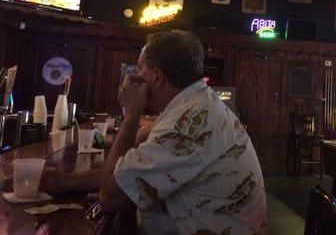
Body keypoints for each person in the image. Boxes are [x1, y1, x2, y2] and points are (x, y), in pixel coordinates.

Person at [44, 30, 267, 234]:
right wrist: (69, 182)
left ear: (157, 77)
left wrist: (132, 114)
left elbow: (109, 197)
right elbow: (130, 173)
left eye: (141, 69)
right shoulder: (197, 103)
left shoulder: (186, 124)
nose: (137, 77)